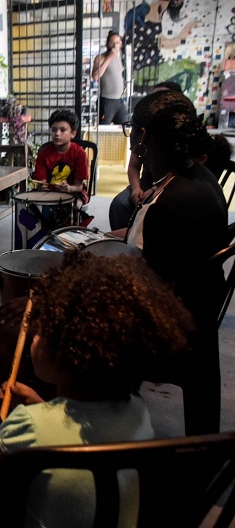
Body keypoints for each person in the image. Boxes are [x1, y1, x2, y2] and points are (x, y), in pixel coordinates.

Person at [0, 251, 193, 527]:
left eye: (43, 330)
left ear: (69, 355)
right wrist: (41, 406)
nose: (33, 337)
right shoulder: (137, 411)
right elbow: (76, 428)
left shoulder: (30, 426)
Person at [114, 89, 229, 435]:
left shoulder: (168, 207)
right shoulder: (200, 178)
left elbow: (150, 293)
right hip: (200, 315)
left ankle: (96, 424)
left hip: (171, 332)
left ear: (142, 136)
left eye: (131, 129)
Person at [108, 80, 182, 230]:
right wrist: (136, 188)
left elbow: (179, 173)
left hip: (175, 185)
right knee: (120, 204)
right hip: (148, 181)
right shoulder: (146, 129)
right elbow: (133, 166)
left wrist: (155, 190)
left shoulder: (179, 133)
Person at [32, 109, 90, 212]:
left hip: (73, 191)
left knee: (79, 199)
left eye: (63, 130)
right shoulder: (44, 153)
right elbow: (41, 182)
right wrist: (42, 186)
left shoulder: (79, 153)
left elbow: (78, 186)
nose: (57, 134)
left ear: (73, 133)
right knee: (30, 201)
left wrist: (69, 188)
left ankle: (74, 218)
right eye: (54, 130)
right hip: (49, 192)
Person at [91, 31, 127, 125]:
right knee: (103, 127)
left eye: (117, 43)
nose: (115, 46)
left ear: (121, 44)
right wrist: (109, 57)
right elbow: (95, 76)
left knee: (125, 126)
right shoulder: (101, 57)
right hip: (107, 100)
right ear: (107, 44)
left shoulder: (119, 58)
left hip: (119, 99)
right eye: (112, 43)